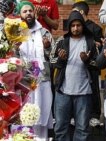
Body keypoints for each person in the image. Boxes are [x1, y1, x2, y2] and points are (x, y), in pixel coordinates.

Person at [51, 10, 97, 141]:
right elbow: (51, 61)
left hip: (84, 92)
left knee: (82, 129)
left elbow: (98, 65)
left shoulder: (90, 42)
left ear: (83, 25)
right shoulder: (61, 41)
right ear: (69, 27)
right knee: (60, 127)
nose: (75, 28)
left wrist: (87, 61)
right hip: (63, 91)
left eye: (78, 25)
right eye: (73, 26)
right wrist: (60, 60)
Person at [16, 1, 54, 140]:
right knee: (24, 115)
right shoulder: (16, 33)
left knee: (41, 113)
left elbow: (54, 58)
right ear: (20, 15)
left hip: (42, 81)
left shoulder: (44, 32)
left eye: (30, 11)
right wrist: (15, 47)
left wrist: (48, 47)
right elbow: (10, 59)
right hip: (23, 82)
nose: (28, 14)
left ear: (35, 13)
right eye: (24, 11)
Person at [72, 0, 103, 127]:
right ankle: (74, 115)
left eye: (74, 12)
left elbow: (100, 48)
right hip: (75, 66)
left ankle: (95, 115)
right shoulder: (72, 27)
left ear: (80, 12)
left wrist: (97, 46)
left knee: (94, 89)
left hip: (91, 65)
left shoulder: (95, 28)